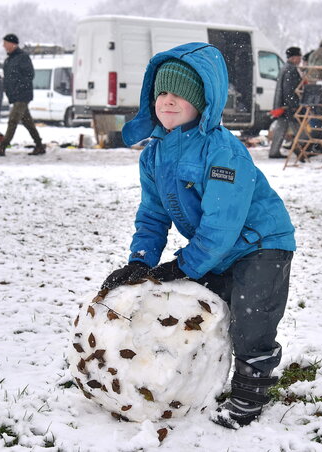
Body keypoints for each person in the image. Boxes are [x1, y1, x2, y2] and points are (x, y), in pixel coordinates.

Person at [99, 42, 296, 429]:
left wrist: (184, 265)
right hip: (219, 250)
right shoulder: (153, 155)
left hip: (261, 245)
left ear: (203, 101)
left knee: (250, 319)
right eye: (162, 94)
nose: (168, 102)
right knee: (192, 309)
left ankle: (249, 393)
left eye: (180, 95)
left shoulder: (223, 153)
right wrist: (141, 260)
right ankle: (186, 380)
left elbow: (222, 224)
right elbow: (153, 214)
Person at [0, 33, 45, 156]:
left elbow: (29, 75)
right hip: (14, 96)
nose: (4, 46)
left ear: (13, 44)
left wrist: (19, 87)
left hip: (22, 95)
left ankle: (2, 147)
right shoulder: (9, 60)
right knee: (28, 122)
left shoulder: (22, 57)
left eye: (5, 43)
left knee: (13, 120)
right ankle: (39, 146)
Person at [269, 46, 302, 158]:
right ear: (294, 57)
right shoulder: (291, 69)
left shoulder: (284, 68)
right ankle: (301, 149)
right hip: (287, 105)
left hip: (282, 104)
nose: (300, 59)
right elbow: (289, 89)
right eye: (299, 56)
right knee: (298, 128)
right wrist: (292, 105)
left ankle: (274, 151)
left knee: (281, 128)